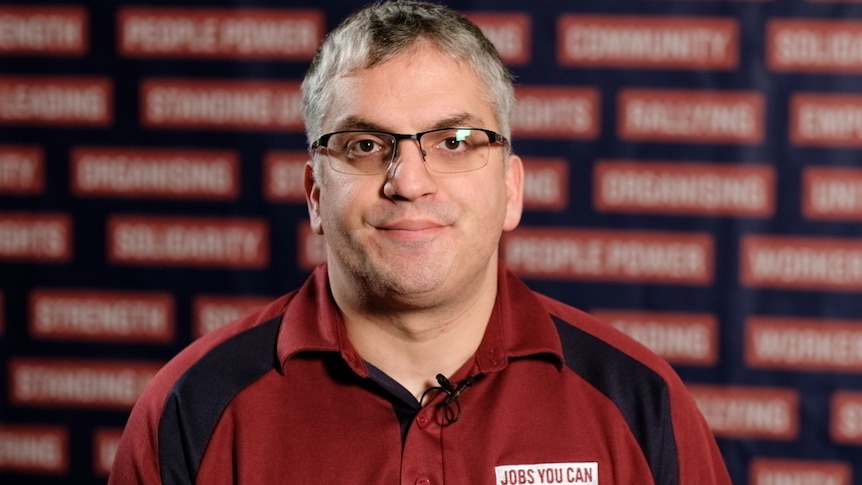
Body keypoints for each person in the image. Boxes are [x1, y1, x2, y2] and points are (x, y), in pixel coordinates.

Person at [109, 1, 732, 484]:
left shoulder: (637, 399)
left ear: (510, 190)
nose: (407, 182)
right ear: (315, 195)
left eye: (454, 141)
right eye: (364, 145)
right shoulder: (191, 409)